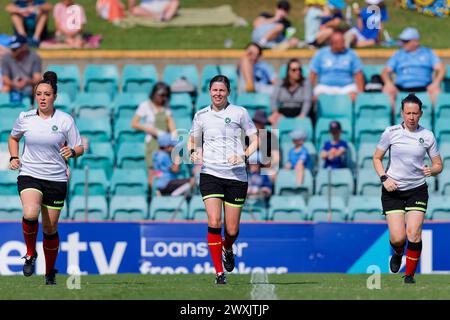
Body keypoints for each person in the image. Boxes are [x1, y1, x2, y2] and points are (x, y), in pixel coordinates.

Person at [8, 71, 84, 285]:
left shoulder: (65, 120)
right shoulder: (25, 117)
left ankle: (50, 271)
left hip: (56, 178)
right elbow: (13, 138)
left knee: (50, 229)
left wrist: (74, 152)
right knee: (30, 212)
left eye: (47, 94)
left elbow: (79, 146)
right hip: (30, 174)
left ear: (54, 97)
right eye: (39, 94)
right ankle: (30, 254)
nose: (42, 98)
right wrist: (14, 157)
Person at [188, 75, 258, 285]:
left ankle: (228, 247)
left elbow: (256, 139)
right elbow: (192, 138)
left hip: (236, 176)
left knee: (232, 230)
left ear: (228, 92)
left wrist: (244, 155)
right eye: (214, 90)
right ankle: (219, 273)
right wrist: (192, 151)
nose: (218, 94)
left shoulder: (239, 112)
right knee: (213, 221)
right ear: (209, 91)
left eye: (222, 90)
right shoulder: (201, 115)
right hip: (210, 174)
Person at [373, 93, 443, 284]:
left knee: (414, 232)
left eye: (415, 113)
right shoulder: (391, 132)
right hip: (392, 189)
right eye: (408, 113)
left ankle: (409, 275)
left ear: (420, 114)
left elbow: (438, 164)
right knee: (398, 238)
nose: (411, 117)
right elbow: (376, 158)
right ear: (402, 113)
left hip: (417, 189)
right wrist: (384, 178)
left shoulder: (427, 136)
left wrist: (433, 170)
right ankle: (397, 253)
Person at [381, 27, 446, 109]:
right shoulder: (398, 54)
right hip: (401, 88)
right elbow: (385, 71)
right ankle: (393, 119)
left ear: (416, 42)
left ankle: (434, 119)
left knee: (436, 91)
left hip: (424, 87)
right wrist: (388, 83)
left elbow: (441, 69)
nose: (403, 43)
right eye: (402, 41)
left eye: (406, 41)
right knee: (387, 90)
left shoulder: (428, 53)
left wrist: (436, 83)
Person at [131, 82, 176, 187]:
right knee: (153, 171)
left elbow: (171, 126)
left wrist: (173, 140)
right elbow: (134, 123)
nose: (163, 98)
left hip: (164, 143)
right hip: (152, 142)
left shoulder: (166, 107)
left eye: (166, 95)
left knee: (164, 170)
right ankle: (152, 195)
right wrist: (152, 130)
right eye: (161, 95)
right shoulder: (145, 106)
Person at [309, 30, 364, 101]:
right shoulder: (321, 54)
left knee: (354, 97)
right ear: (332, 44)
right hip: (325, 87)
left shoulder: (351, 54)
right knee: (317, 98)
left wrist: (361, 93)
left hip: (346, 87)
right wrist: (309, 92)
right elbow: (313, 74)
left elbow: (358, 74)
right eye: (341, 42)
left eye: (343, 41)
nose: (343, 44)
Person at [269, 58, 313, 127]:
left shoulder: (306, 82)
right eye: (294, 70)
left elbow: (307, 101)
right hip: (283, 112)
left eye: (299, 69)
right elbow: (273, 98)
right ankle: (272, 138)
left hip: (299, 111)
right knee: (270, 121)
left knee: (300, 128)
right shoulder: (280, 82)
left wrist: (302, 115)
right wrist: (275, 112)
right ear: (288, 72)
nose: (297, 72)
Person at [1, 34, 42, 103]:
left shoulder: (34, 57)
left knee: (38, 88)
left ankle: (35, 108)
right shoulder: (6, 58)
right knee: (5, 88)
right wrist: (14, 84)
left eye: (15, 49)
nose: (13, 50)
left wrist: (26, 81)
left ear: (24, 47)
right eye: (12, 48)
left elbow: (37, 78)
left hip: (29, 85)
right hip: (12, 85)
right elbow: (5, 79)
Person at [251, 109, 280, 183]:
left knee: (272, 175)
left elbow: (276, 158)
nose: (257, 124)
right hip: (250, 168)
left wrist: (265, 163)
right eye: (256, 122)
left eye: (259, 122)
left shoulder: (271, 137)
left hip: (266, 167)